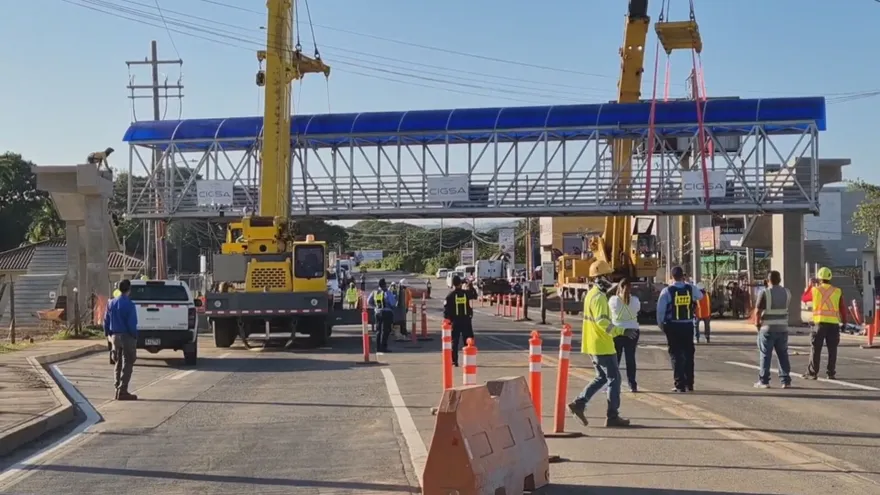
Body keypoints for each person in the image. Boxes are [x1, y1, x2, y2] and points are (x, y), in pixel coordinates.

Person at [567, 260, 636, 428]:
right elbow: (603, 322)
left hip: (593, 344)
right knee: (614, 379)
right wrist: (621, 332)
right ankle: (612, 416)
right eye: (608, 276)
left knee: (602, 377)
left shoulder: (591, 294)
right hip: (602, 345)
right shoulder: (599, 298)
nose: (610, 279)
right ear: (601, 277)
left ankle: (579, 403)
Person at [656, 266, 703, 392]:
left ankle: (679, 384)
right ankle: (690, 383)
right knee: (689, 355)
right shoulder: (690, 288)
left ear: (671, 277)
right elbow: (700, 296)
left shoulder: (667, 291)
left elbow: (660, 310)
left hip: (673, 326)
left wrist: (661, 324)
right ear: (683, 276)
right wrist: (688, 283)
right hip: (687, 326)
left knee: (676, 355)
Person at [754, 270, 792, 388]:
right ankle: (785, 381)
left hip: (767, 329)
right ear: (780, 280)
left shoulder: (765, 292)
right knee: (783, 354)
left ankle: (764, 381)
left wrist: (757, 325)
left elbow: (758, 311)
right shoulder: (787, 292)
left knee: (765, 355)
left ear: (768, 280)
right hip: (783, 328)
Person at [806, 267, 845, 380]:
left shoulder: (815, 290)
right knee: (832, 350)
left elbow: (804, 298)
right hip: (833, 324)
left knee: (815, 348)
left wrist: (810, 285)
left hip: (819, 323)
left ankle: (813, 373)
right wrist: (845, 322)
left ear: (819, 278)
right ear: (830, 277)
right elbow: (842, 308)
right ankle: (831, 373)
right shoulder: (837, 291)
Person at [103, 279, 139, 401]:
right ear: (129, 290)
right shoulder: (130, 304)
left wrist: (107, 333)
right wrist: (135, 335)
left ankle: (116, 389)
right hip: (127, 335)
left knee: (117, 362)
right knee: (128, 361)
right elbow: (132, 323)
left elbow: (106, 320)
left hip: (114, 336)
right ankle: (123, 390)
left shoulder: (111, 303)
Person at [609, 277, 640, 393]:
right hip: (633, 330)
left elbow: (609, 312)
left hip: (617, 331)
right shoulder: (635, 300)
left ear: (619, 288)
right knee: (630, 359)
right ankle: (633, 384)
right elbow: (637, 310)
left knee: (615, 359)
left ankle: (613, 383)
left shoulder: (613, 300)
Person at [444, 275, 474, 367]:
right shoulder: (465, 294)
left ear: (453, 284)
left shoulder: (450, 296)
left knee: (454, 342)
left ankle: (454, 361)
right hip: (466, 321)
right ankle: (468, 360)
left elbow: (446, 310)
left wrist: (448, 321)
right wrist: (470, 284)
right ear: (460, 283)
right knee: (467, 341)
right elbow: (474, 294)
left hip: (455, 322)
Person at [368, 278, 397, 353]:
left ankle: (378, 348)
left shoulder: (375, 292)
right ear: (385, 284)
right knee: (386, 331)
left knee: (378, 330)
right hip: (387, 313)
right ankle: (383, 347)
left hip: (378, 313)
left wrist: (375, 307)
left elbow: (369, 301)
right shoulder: (387, 292)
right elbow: (393, 303)